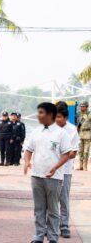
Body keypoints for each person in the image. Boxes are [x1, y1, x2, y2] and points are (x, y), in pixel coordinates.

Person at [24, 102, 73, 243]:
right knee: (39, 209)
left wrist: (55, 168)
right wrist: (27, 162)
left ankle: (52, 238)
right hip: (36, 176)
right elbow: (28, 150)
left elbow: (66, 153)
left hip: (54, 177)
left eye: (41, 112)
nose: (38, 115)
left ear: (50, 115)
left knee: (53, 210)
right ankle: (38, 236)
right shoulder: (36, 132)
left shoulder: (61, 133)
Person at [55, 102, 79, 239]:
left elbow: (73, 153)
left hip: (65, 171)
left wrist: (58, 157)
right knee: (51, 200)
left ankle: (64, 225)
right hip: (51, 171)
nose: (56, 120)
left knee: (64, 199)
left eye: (58, 117)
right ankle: (51, 225)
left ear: (65, 117)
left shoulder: (72, 130)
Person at [76, 101, 91, 171]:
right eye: (81, 106)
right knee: (80, 151)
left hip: (88, 134)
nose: (81, 107)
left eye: (83, 106)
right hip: (80, 134)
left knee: (86, 151)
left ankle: (85, 166)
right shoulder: (78, 114)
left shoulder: (89, 114)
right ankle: (80, 165)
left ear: (86, 107)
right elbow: (77, 124)